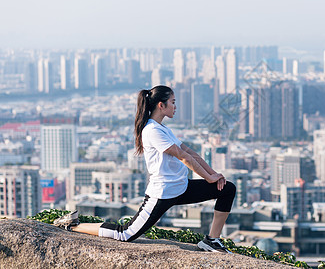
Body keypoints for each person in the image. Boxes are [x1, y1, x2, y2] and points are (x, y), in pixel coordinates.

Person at [53, 85, 236, 253]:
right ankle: (73, 225)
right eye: (172, 102)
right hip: (162, 193)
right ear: (161, 105)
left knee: (227, 189)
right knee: (125, 234)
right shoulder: (151, 131)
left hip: (180, 187)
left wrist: (213, 175)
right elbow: (183, 157)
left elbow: (190, 152)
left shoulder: (163, 129)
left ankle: (212, 240)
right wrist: (209, 178)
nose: (175, 106)